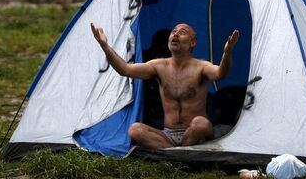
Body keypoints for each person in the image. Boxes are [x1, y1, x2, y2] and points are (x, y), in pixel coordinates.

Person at [90, 22, 239, 148]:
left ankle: (176, 155)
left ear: (192, 42)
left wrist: (227, 52)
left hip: (195, 131)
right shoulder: (158, 66)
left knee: (200, 124)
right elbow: (125, 70)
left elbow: (220, 73)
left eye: (182, 32)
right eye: (174, 32)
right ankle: (180, 154)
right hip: (168, 135)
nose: (176, 34)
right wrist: (105, 46)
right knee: (135, 130)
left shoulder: (201, 67)